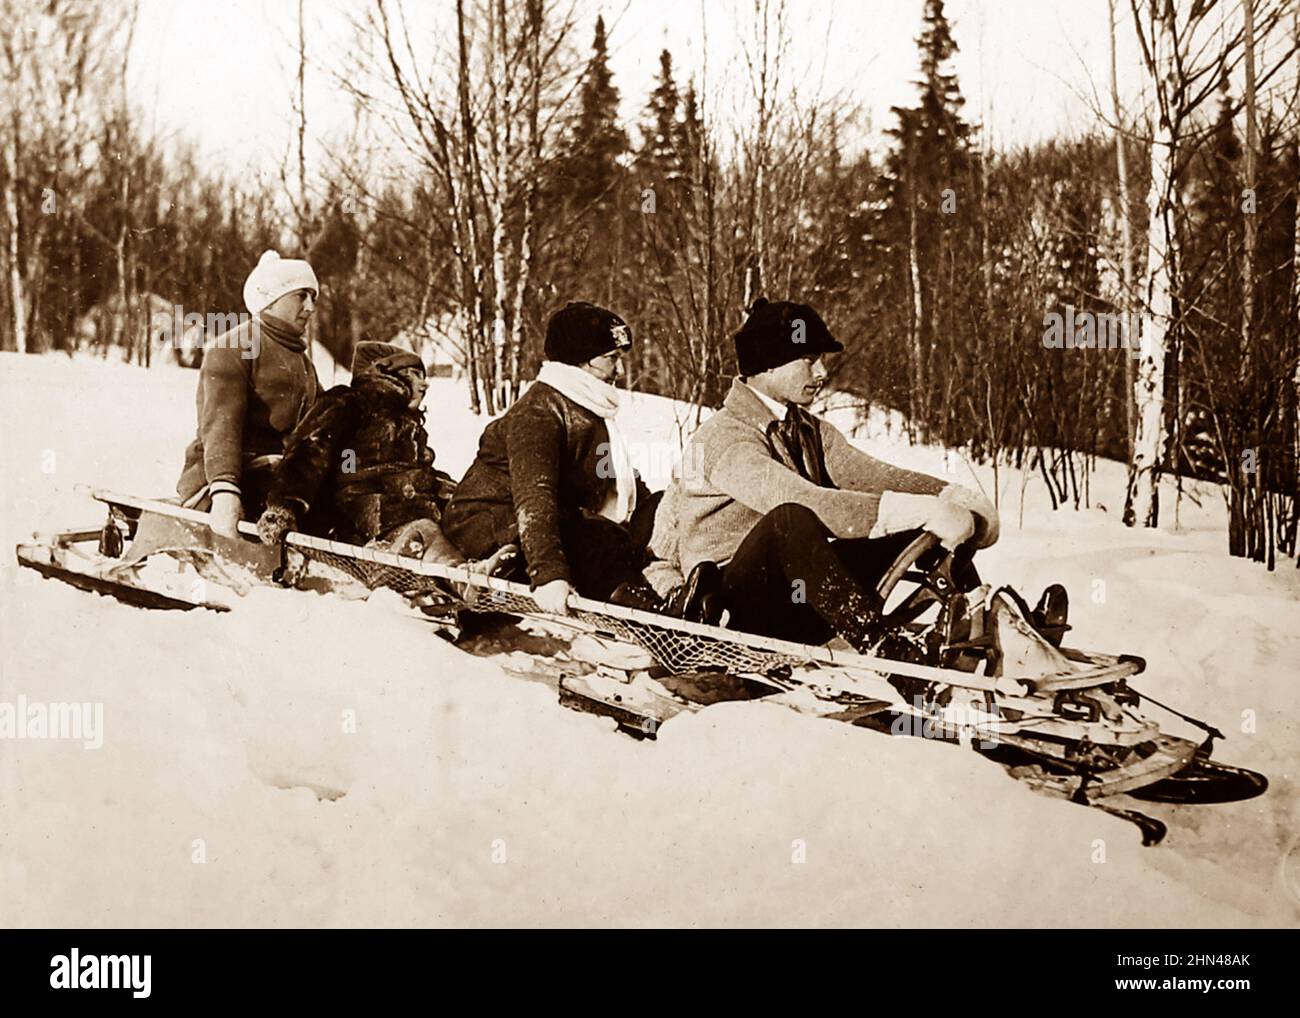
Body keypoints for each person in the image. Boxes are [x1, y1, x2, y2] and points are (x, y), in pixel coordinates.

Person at [649, 297, 1000, 651]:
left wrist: (950, 496)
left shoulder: (807, 429)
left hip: (798, 596)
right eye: (809, 359)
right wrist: (925, 510)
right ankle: (879, 644)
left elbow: (870, 475)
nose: (821, 373)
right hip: (731, 610)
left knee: (914, 523)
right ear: (770, 364)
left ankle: (978, 616)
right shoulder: (724, 438)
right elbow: (803, 501)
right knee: (790, 519)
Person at [441, 302, 657, 615]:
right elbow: (534, 497)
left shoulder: (590, 408)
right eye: (611, 360)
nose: (620, 371)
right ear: (579, 362)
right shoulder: (538, 413)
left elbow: (611, 478)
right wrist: (548, 575)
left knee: (641, 521)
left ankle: (663, 591)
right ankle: (644, 613)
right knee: (593, 539)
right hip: (490, 521)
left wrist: (655, 516)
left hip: (548, 520)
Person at [254, 342, 462, 562]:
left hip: (411, 514)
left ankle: (477, 571)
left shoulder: (408, 425)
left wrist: (453, 493)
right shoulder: (351, 402)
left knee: (462, 523)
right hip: (363, 521)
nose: (424, 384)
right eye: (414, 374)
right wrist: (283, 505)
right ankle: (461, 580)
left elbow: (421, 473)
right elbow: (309, 451)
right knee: (426, 531)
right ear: (385, 373)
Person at [176, 250, 322, 538]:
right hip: (229, 481)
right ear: (273, 298)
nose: (310, 307)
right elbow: (221, 425)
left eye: (313, 298)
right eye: (301, 296)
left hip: (280, 482)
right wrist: (225, 491)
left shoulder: (303, 362)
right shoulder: (235, 347)